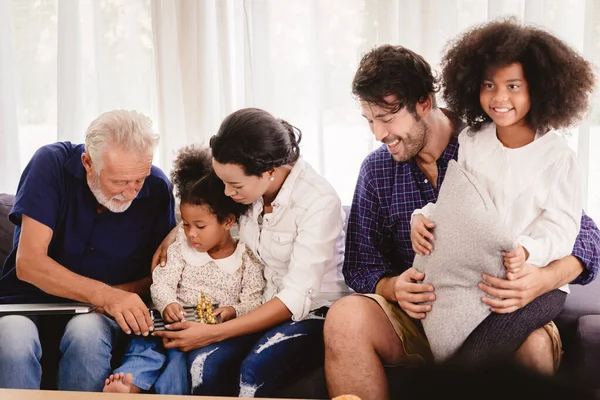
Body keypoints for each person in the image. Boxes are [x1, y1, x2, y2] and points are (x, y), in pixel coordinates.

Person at [323, 42, 600, 400]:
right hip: (417, 315)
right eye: (370, 120)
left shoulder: (490, 142)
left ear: (424, 103)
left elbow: (585, 235)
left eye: (387, 119)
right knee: (345, 319)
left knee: (531, 348)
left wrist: (542, 279)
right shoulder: (377, 170)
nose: (378, 134)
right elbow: (361, 265)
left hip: (495, 307)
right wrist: (394, 288)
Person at [409, 17, 594, 362]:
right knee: (450, 349)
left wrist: (525, 251)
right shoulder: (472, 140)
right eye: (489, 85)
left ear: (538, 88)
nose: (499, 98)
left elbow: (562, 231)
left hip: (536, 282)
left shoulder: (559, 158)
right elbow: (458, 202)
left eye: (513, 86)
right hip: (477, 276)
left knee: (475, 356)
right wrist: (421, 217)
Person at [151, 108, 351, 397]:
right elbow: (207, 211)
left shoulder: (318, 201)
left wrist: (212, 333)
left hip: (313, 314)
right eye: (222, 182)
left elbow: (296, 296)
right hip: (260, 306)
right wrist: (175, 233)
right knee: (204, 365)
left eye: (235, 186)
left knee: (252, 373)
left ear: (270, 171)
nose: (227, 193)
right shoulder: (245, 187)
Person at [0, 110, 176, 391]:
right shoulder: (51, 164)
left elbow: (161, 276)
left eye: (138, 180)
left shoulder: (156, 187)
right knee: (12, 337)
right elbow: (29, 263)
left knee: (87, 334)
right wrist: (107, 295)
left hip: (98, 318)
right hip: (26, 304)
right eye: (118, 182)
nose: (130, 193)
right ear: (88, 162)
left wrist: (120, 295)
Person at [102, 145, 265, 394]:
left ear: (228, 221)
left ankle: (164, 390)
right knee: (147, 345)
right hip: (169, 322)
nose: (190, 233)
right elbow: (162, 282)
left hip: (207, 330)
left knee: (179, 361)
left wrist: (233, 311)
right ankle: (129, 383)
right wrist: (168, 303)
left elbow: (254, 300)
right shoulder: (180, 248)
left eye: (199, 226)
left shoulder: (246, 257)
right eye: (185, 224)